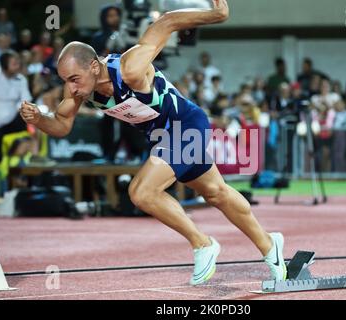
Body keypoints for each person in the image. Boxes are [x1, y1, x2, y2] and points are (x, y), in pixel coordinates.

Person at [19, 0, 286, 286]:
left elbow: (165, 22)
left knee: (142, 192)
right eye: (65, 81)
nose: (69, 88)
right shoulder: (79, 91)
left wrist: (215, 14)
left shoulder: (129, 68)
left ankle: (203, 243)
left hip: (186, 124)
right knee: (216, 192)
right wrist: (40, 119)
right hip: (161, 138)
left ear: (94, 66)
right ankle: (271, 248)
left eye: (73, 79)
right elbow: (61, 125)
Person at [0, 50, 32, 215]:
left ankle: (30, 154)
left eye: (18, 62)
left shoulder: (20, 79)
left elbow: (26, 100)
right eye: (14, 62)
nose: (18, 65)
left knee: (37, 118)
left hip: (7, 125)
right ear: (4, 65)